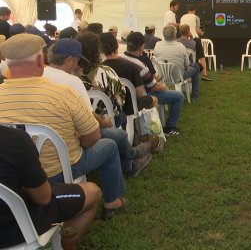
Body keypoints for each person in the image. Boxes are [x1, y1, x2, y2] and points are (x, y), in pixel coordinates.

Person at [0, 34, 127, 220]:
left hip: (12, 178)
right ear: (40, 60)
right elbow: (92, 137)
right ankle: (112, 202)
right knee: (109, 145)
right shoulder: (64, 93)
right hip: (59, 170)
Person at [45, 39, 153, 176]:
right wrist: (104, 122)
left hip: (51, 133)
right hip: (74, 134)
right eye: (77, 60)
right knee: (118, 133)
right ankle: (131, 158)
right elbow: (89, 114)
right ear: (69, 60)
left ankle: (132, 157)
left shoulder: (41, 75)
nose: (78, 63)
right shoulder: (74, 81)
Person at [0, 126, 102, 250]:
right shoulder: (14, 139)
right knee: (93, 191)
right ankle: (68, 245)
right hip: (15, 227)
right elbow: (43, 198)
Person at [123, 31, 184, 136]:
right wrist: (165, 87)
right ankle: (170, 127)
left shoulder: (121, 58)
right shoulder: (140, 64)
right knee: (179, 96)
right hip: (141, 98)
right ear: (141, 47)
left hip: (125, 98)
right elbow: (154, 86)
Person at [154, 25, 200, 102]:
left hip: (162, 77)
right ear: (174, 35)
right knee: (196, 66)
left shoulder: (157, 45)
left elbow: (156, 58)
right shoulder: (180, 46)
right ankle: (194, 96)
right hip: (178, 77)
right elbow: (187, 65)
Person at [180, 5, 211, 81]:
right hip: (194, 38)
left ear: (188, 10)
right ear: (194, 10)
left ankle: (187, 75)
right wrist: (201, 32)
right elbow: (197, 30)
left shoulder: (182, 17)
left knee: (186, 58)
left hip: (183, 40)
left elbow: (181, 28)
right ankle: (204, 75)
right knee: (201, 57)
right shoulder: (196, 17)